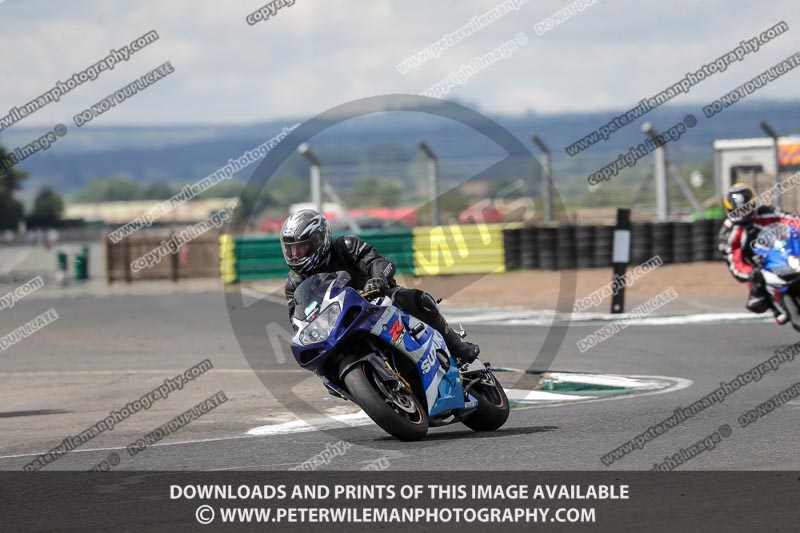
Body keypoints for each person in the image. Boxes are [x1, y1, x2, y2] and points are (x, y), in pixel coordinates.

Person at [281, 209, 480, 363]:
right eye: (291, 249)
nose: (296, 254)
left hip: (374, 301)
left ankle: (456, 346)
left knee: (417, 300)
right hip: (337, 323)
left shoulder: (345, 246)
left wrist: (377, 279)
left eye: (301, 247)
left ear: (319, 240)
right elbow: (297, 319)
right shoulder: (294, 282)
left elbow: (381, 262)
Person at [718, 182, 800, 324]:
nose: (742, 214)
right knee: (757, 299)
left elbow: (793, 220)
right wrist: (750, 273)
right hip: (758, 264)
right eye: (737, 211)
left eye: (745, 209)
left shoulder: (768, 212)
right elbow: (734, 263)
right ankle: (773, 306)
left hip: (781, 253)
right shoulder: (729, 234)